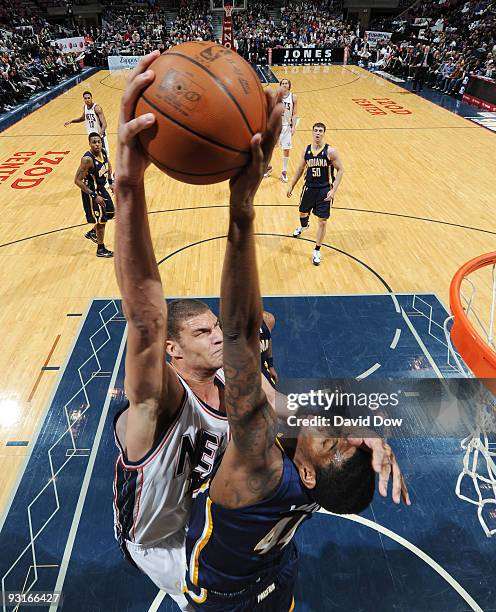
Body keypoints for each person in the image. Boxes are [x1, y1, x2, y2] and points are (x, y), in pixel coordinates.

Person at [113, 51, 406, 610]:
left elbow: (155, 320)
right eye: (204, 332)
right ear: (176, 353)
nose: (218, 334)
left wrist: (129, 183)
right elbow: (257, 353)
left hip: (191, 557)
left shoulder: (258, 453)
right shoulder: (159, 401)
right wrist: (369, 425)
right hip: (176, 533)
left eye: (212, 327)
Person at [183, 100, 411, 610]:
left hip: (224, 593)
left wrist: (241, 210)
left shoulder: (258, 467)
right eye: (346, 438)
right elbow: (296, 406)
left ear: (307, 473)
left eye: (334, 443)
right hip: (277, 568)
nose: (336, 429)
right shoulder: (318, 478)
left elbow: (239, 334)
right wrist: (366, 428)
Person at [287, 123, 344, 266]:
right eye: (315, 131)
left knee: (322, 221)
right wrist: (291, 185)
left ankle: (317, 250)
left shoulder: (330, 151)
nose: (318, 133)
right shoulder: (306, 151)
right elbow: (300, 169)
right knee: (302, 213)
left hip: (324, 190)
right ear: (312, 132)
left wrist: (333, 190)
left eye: (320, 131)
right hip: (309, 188)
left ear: (324, 133)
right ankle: (304, 226)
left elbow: (341, 170)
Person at [73, 132, 114, 257]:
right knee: (102, 220)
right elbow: (77, 181)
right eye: (94, 142)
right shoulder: (87, 160)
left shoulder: (104, 152)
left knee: (111, 212)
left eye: (98, 142)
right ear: (89, 144)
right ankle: (100, 249)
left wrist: (111, 182)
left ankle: (93, 232)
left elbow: (108, 166)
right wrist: (94, 196)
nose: (96, 144)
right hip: (91, 191)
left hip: (101, 188)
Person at [264, 78, 298, 183]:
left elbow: (295, 113)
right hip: (276, 126)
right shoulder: (276, 97)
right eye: (282, 83)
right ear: (280, 85)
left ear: (289, 85)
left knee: (286, 149)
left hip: (287, 126)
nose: (284, 85)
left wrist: (293, 127)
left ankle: (284, 171)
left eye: (286, 83)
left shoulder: (293, 97)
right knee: (270, 148)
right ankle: (268, 167)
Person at [64, 90, 110, 156]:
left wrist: (99, 136)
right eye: (85, 98)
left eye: (88, 98)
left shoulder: (97, 108)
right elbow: (82, 118)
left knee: (104, 155)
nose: (87, 100)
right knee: (96, 156)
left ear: (91, 98)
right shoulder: (85, 107)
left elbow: (104, 124)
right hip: (91, 136)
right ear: (83, 99)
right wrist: (71, 121)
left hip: (99, 136)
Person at [261, 310, 278, 386]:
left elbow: (269, 339)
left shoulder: (268, 319)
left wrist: (271, 366)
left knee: (272, 392)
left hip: (261, 366)